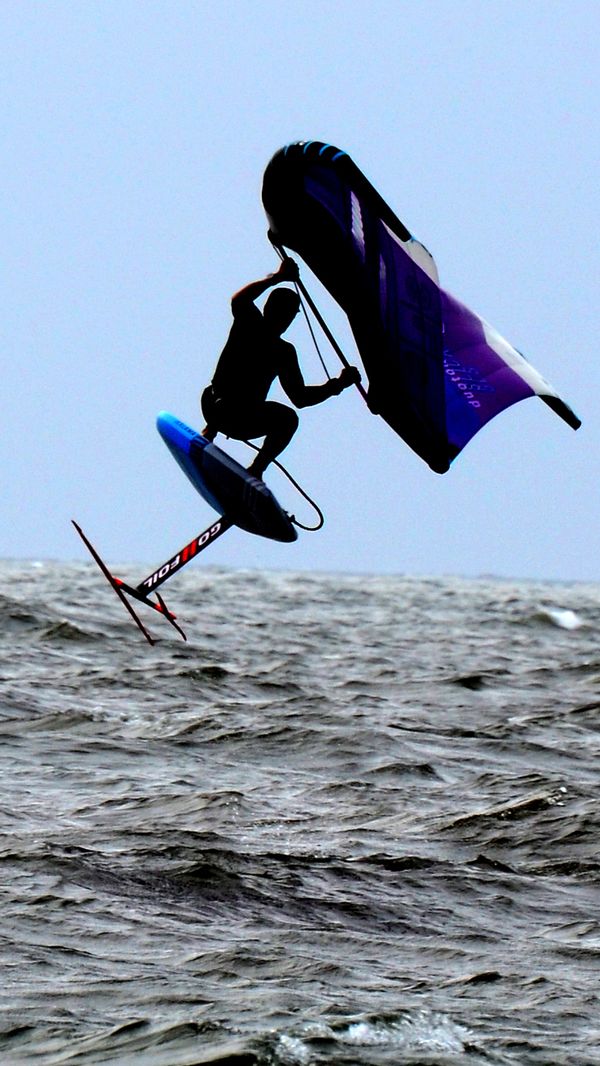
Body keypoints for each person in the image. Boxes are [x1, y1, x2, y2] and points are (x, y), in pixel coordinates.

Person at [201, 257, 361, 480]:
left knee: (287, 418)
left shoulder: (284, 352)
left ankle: (256, 471)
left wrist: (338, 384)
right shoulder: (249, 322)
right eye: (283, 312)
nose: (286, 319)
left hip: (244, 419)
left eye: (290, 315)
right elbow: (239, 299)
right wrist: (277, 278)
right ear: (269, 308)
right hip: (216, 405)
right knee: (232, 391)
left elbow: (300, 397)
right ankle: (210, 430)